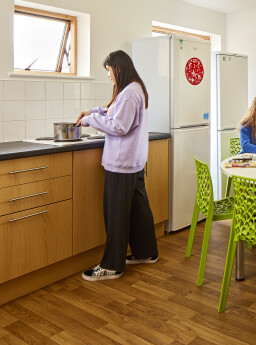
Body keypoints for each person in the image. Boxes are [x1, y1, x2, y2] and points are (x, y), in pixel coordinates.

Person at [76, 50, 158, 281]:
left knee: (116, 214)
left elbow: (119, 125)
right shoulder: (132, 88)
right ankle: (146, 252)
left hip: (121, 162)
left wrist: (90, 120)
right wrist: (93, 111)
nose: (109, 76)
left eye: (109, 71)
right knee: (138, 211)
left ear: (118, 68)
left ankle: (112, 265)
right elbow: (115, 112)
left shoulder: (130, 92)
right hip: (133, 161)